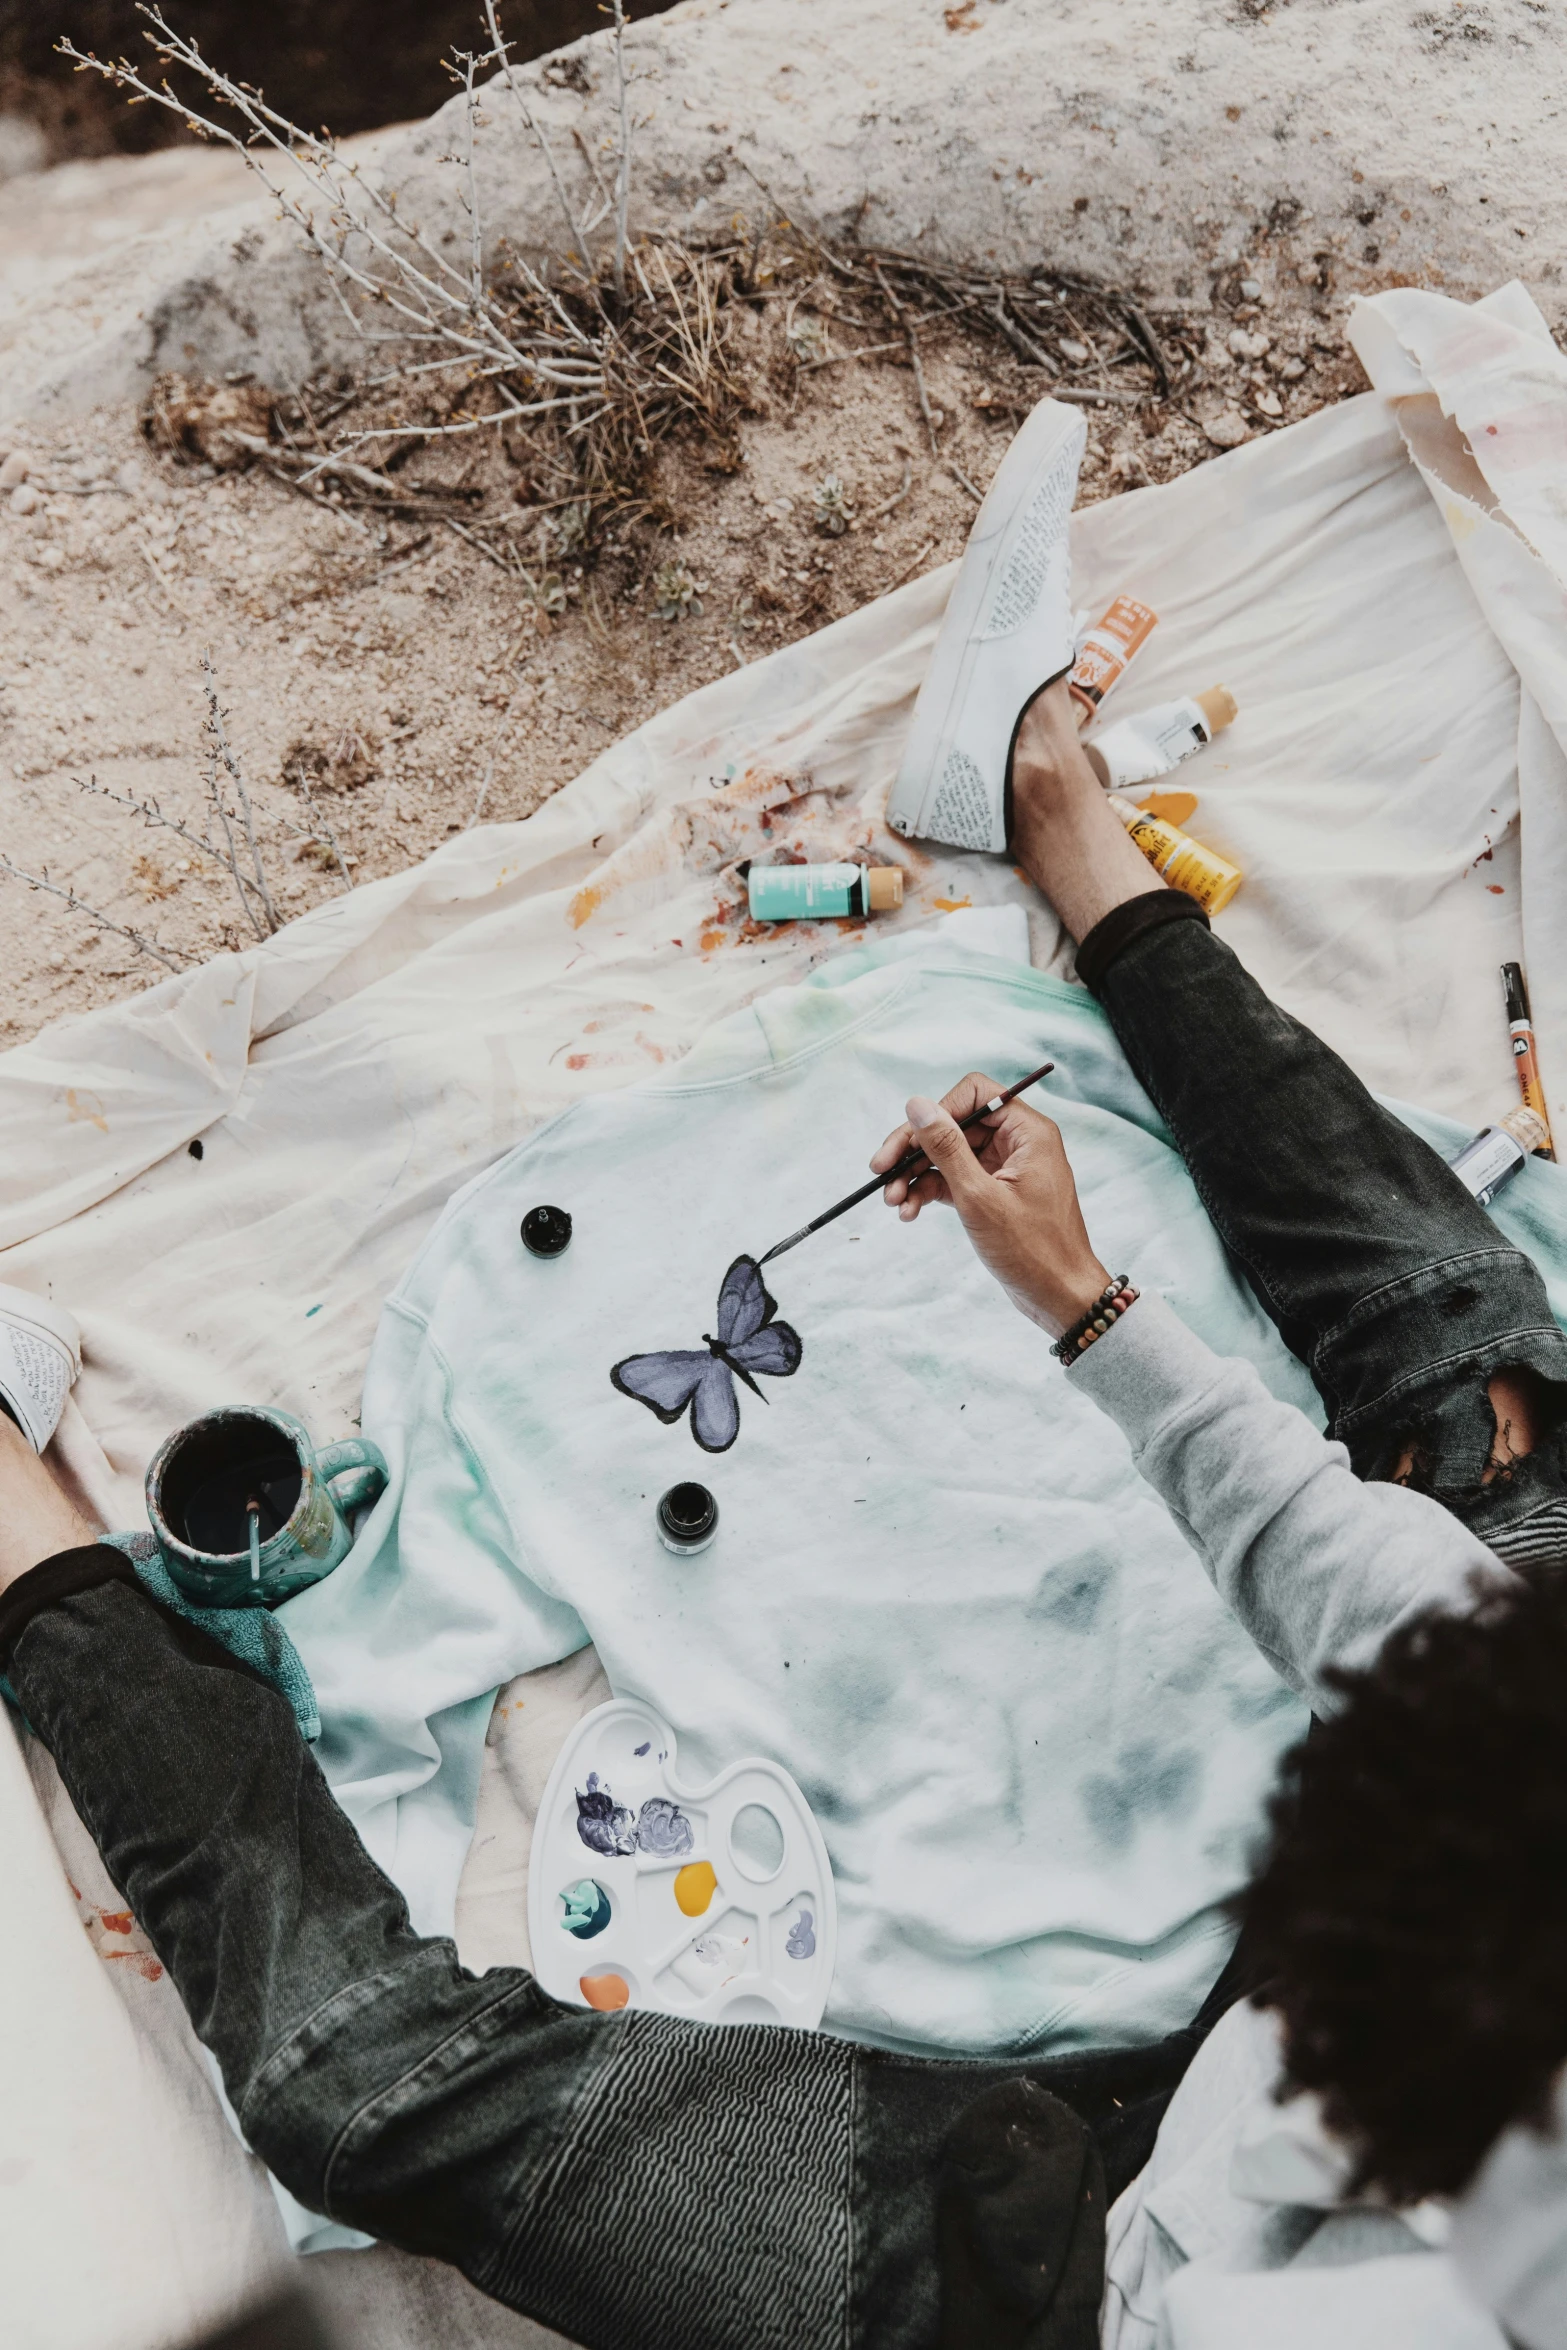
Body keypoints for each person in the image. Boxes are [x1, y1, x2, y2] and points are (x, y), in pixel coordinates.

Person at [5, 398, 1567, 2350]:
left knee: (363, 2079)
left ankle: (7, 1505)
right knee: (1485, 1373)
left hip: (1072, 2289)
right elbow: (1433, 1631)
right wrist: (1091, 1309)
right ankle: (1069, 830)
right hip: (1407, 2007)